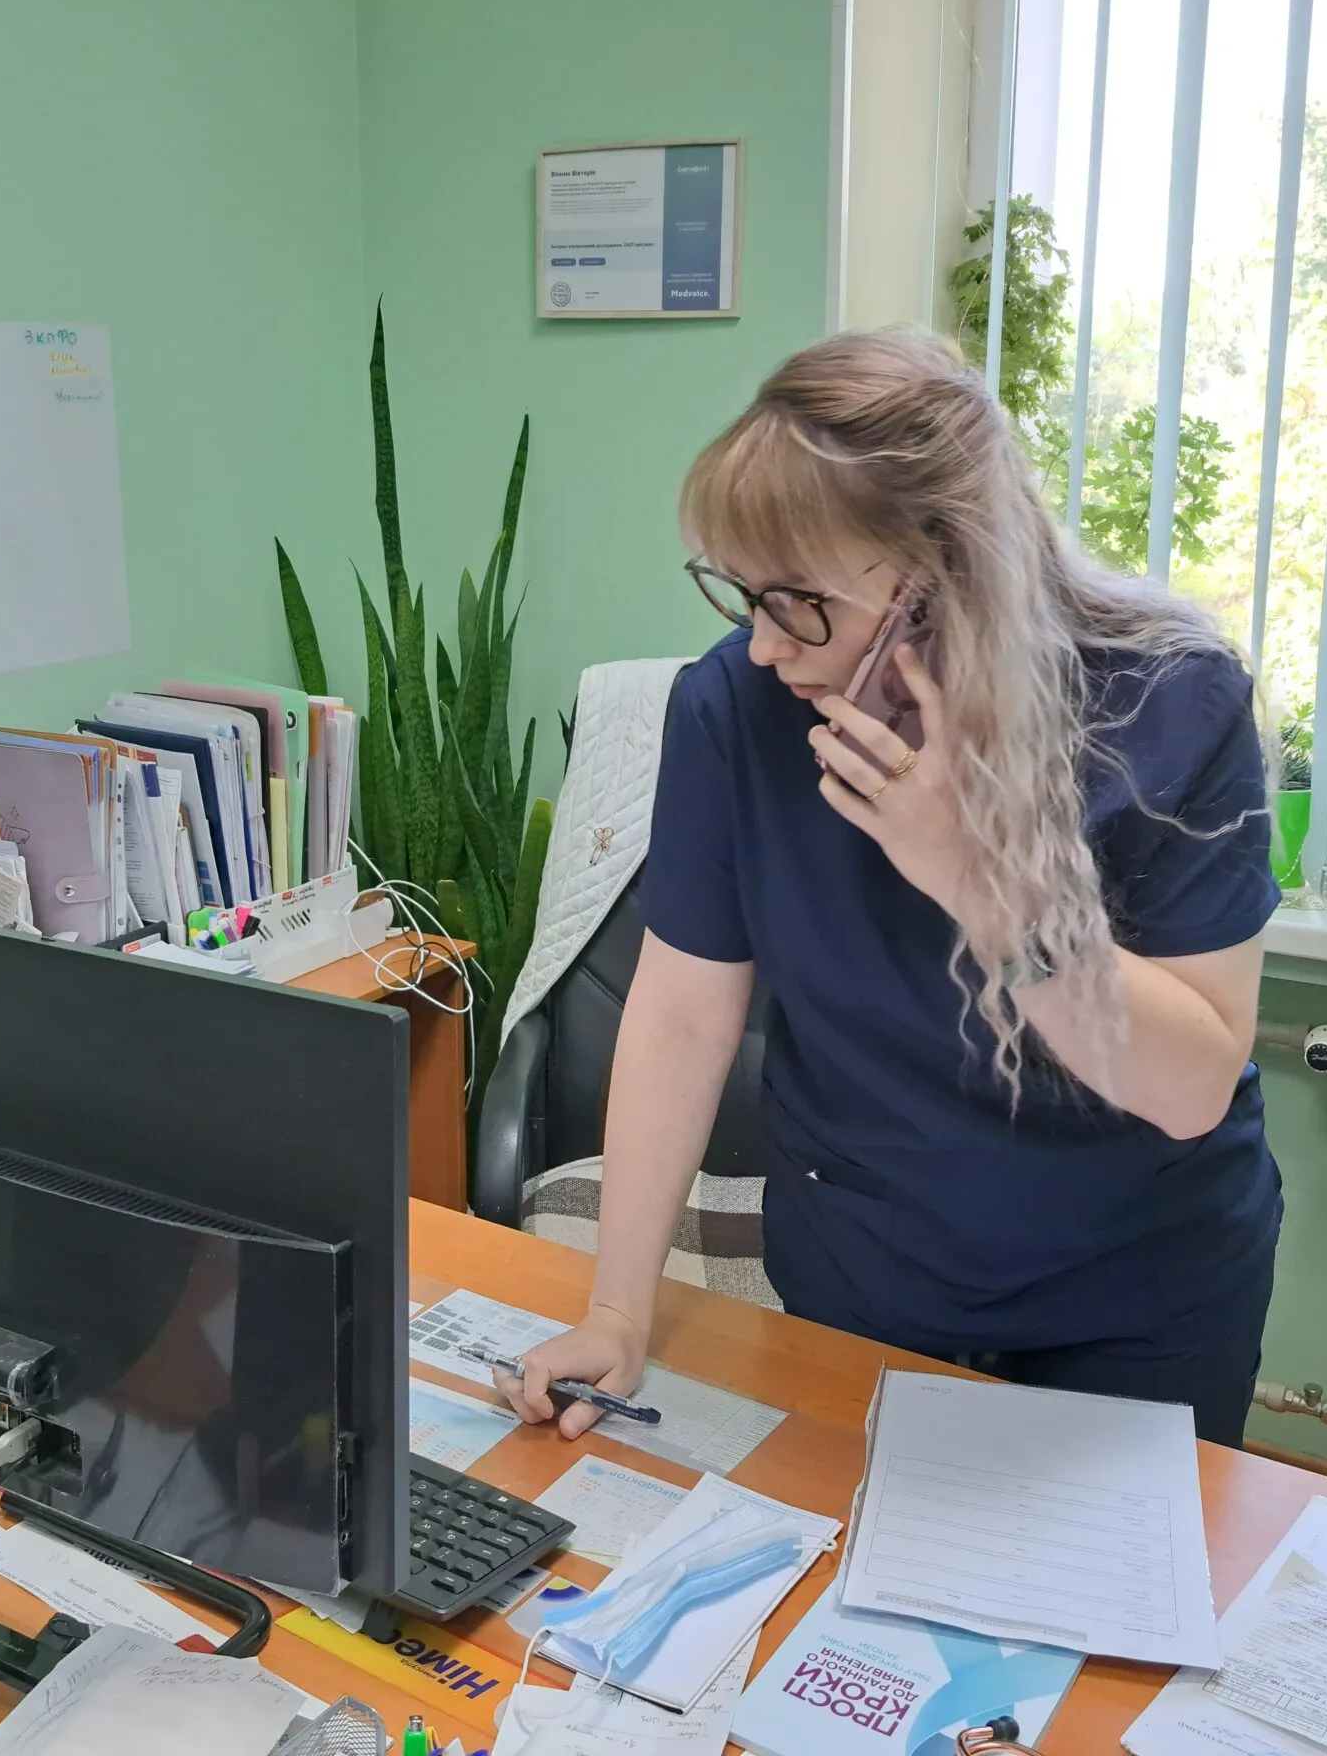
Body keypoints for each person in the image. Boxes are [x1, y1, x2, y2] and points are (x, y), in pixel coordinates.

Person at [492, 328, 1282, 1447]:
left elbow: (1191, 1084)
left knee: (1109, 1620)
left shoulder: (1170, 705)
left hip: (1138, 1292)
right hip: (868, 1272)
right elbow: (679, 1015)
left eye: (797, 600)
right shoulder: (734, 710)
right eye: (744, 595)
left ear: (945, 575)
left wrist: (975, 873)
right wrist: (617, 1313)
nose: (763, 646)